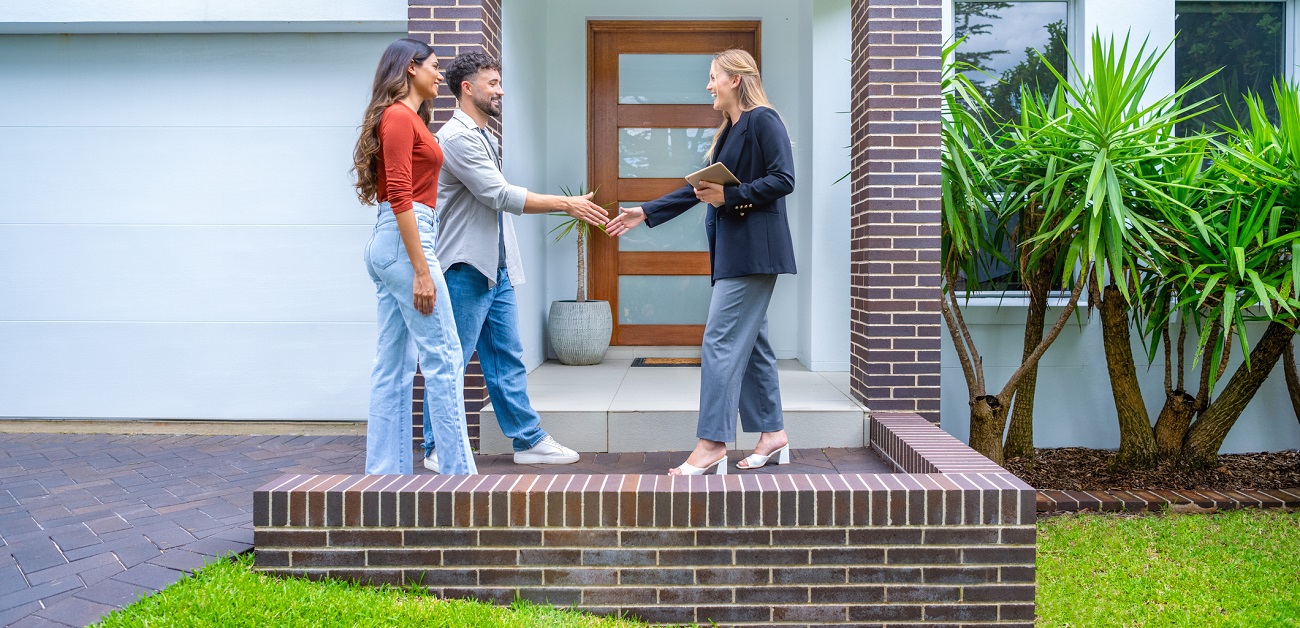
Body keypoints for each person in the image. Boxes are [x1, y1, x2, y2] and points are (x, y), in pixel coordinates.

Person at [607, 49, 795, 476]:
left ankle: (711, 442)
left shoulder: (763, 119)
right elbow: (699, 188)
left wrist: (731, 196)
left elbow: (784, 178)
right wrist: (647, 211)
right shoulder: (730, 129)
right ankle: (772, 433)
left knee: (719, 342)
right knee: (753, 345)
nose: (708, 85)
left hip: (754, 253)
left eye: (713, 77)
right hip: (736, 251)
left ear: (736, 79)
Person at [421, 51, 609, 471]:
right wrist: (567, 204)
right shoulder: (457, 138)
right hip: (465, 268)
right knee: (451, 358)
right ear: (467, 88)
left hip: (495, 268)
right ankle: (437, 448)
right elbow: (499, 195)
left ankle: (528, 441)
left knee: (507, 357)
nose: (500, 89)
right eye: (492, 83)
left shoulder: (486, 135)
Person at [351, 38, 476, 475]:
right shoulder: (400, 118)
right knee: (445, 357)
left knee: (393, 364)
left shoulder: (404, 118)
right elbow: (402, 195)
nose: (440, 74)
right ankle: (461, 477)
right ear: (410, 68)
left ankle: (385, 476)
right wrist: (422, 269)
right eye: (435, 66)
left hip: (393, 243)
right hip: (408, 243)